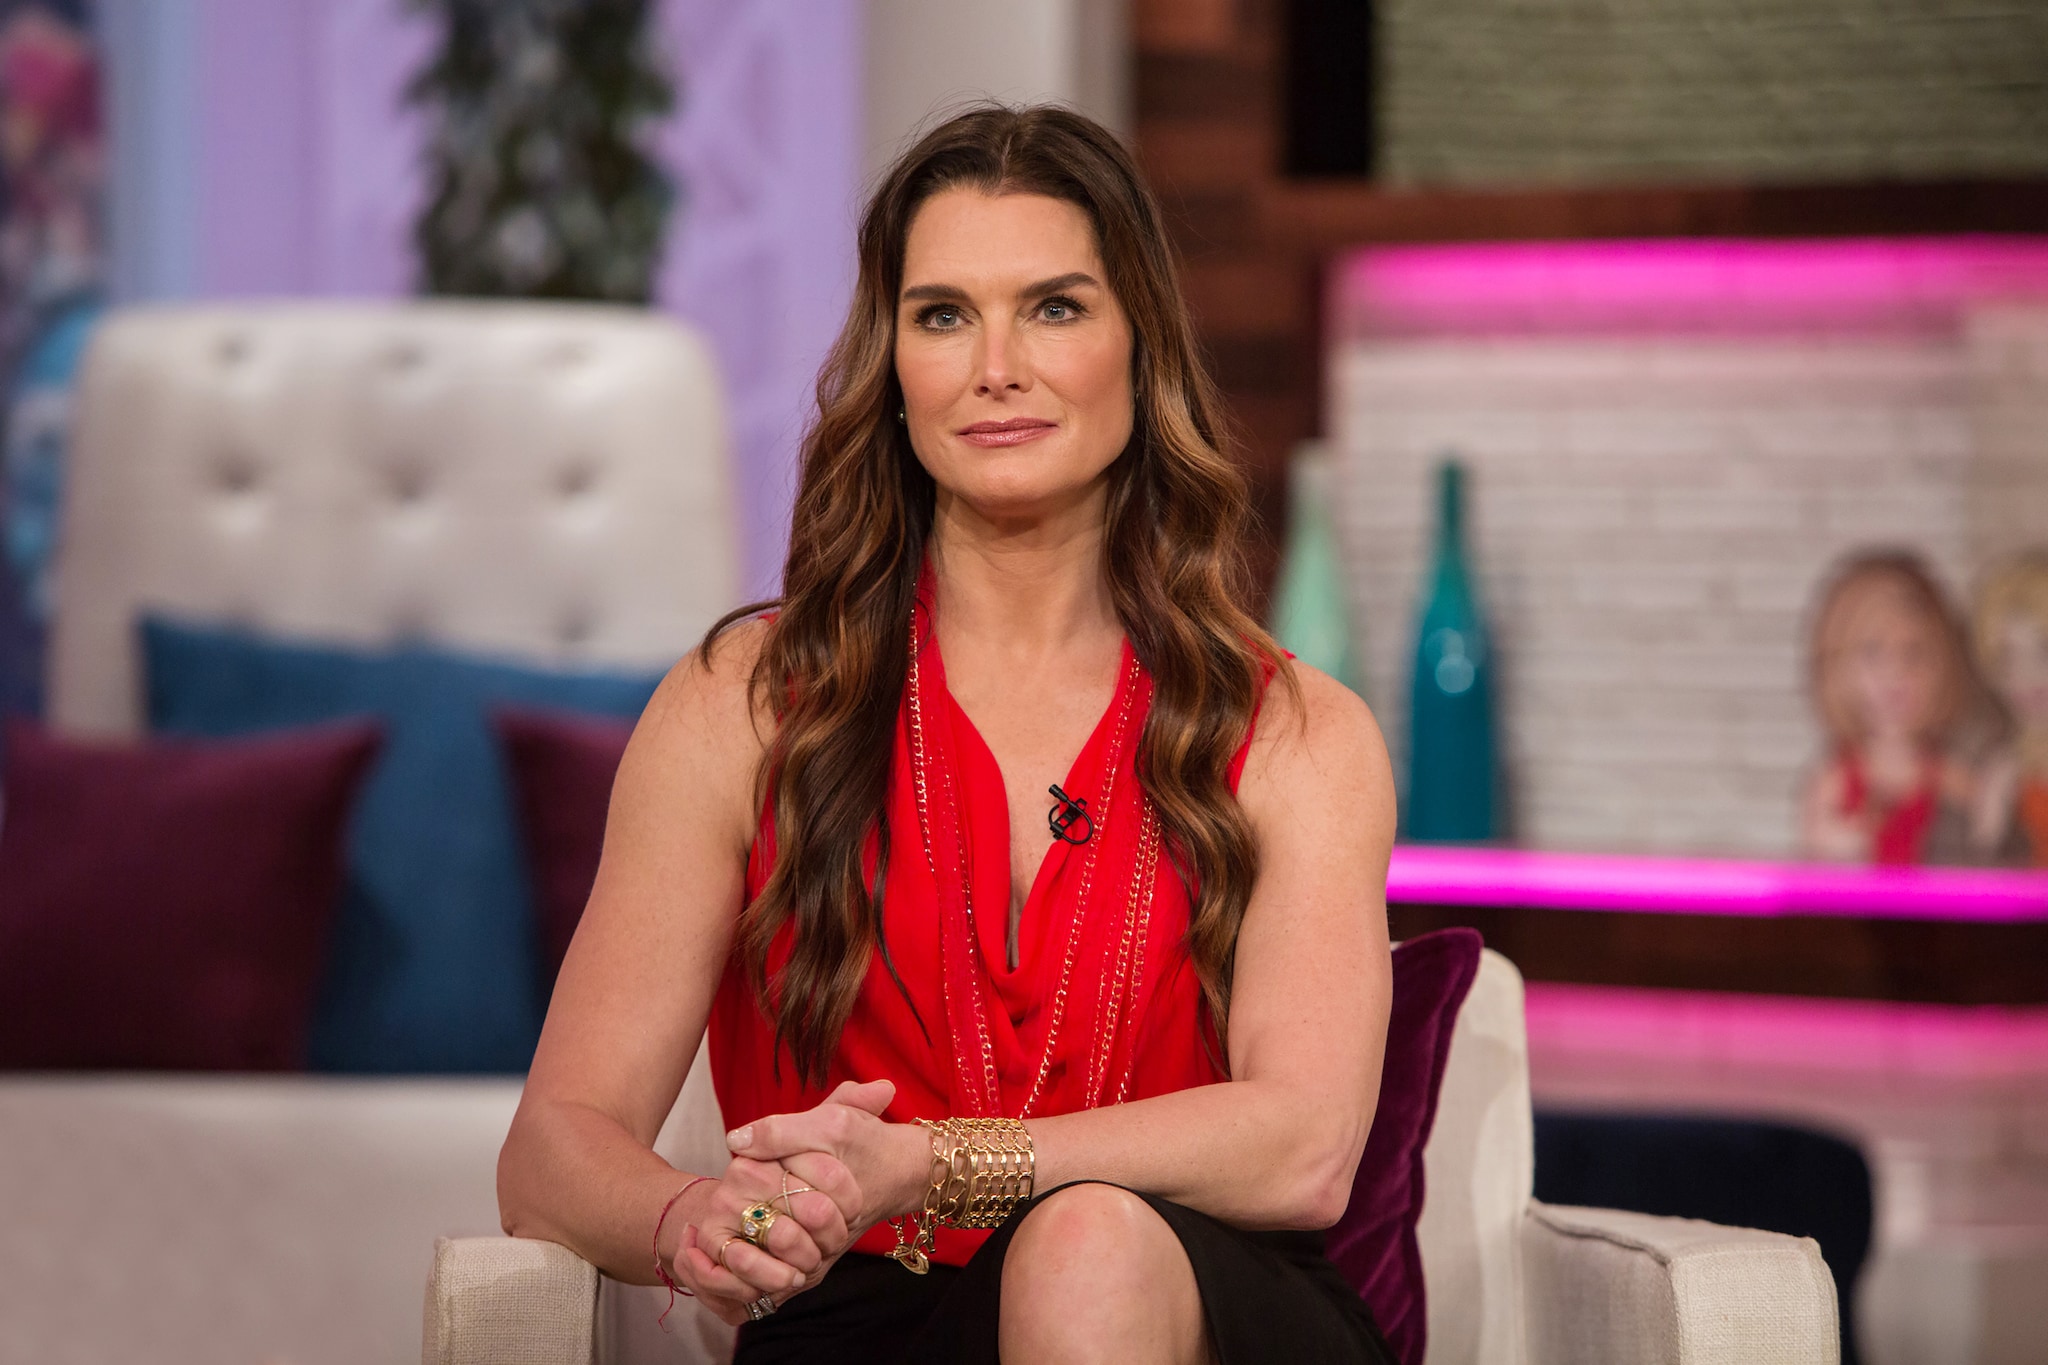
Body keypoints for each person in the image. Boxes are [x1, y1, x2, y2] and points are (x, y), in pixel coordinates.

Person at [498, 104, 1398, 1365]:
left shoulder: (1297, 733)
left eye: (1054, 308)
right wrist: (698, 1221)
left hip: (1199, 1302)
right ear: (893, 371)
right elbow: (550, 1150)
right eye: (941, 316)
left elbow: (1303, 1149)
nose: (995, 366)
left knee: (1086, 1245)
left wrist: (931, 1166)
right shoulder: (743, 706)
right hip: (858, 1324)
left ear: (1139, 350)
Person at [1799, 551, 1975, 865]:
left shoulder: (1951, 778)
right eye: (1872, 652)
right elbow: (1814, 855)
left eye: (1914, 652)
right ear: (1836, 665)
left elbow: (1985, 849)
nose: (1895, 673)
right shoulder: (1834, 781)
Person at [1964, 553, 2048, 865]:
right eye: (2007, 659)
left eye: (2045, 651)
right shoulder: (2005, 769)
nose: (2027, 676)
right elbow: (1984, 860)